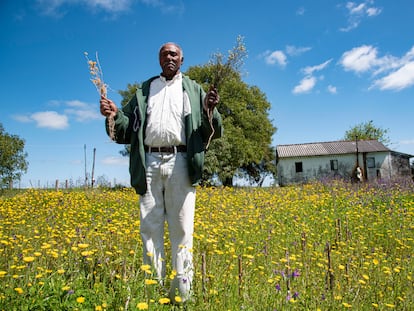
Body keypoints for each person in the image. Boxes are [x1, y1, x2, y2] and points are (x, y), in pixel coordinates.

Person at [99, 42, 222, 302]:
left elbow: (212, 127)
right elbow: (125, 126)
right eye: (165, 53)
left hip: (181, 161)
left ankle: (182, 295)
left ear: (182, 59)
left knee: (183, 229)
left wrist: (210, 108)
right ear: (159, 59)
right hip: (149, 163)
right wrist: (112, 114)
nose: (169, 57)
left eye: (174, 54)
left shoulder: (193, 89)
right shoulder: (145, 90)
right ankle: (152, 294)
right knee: (150, 228)